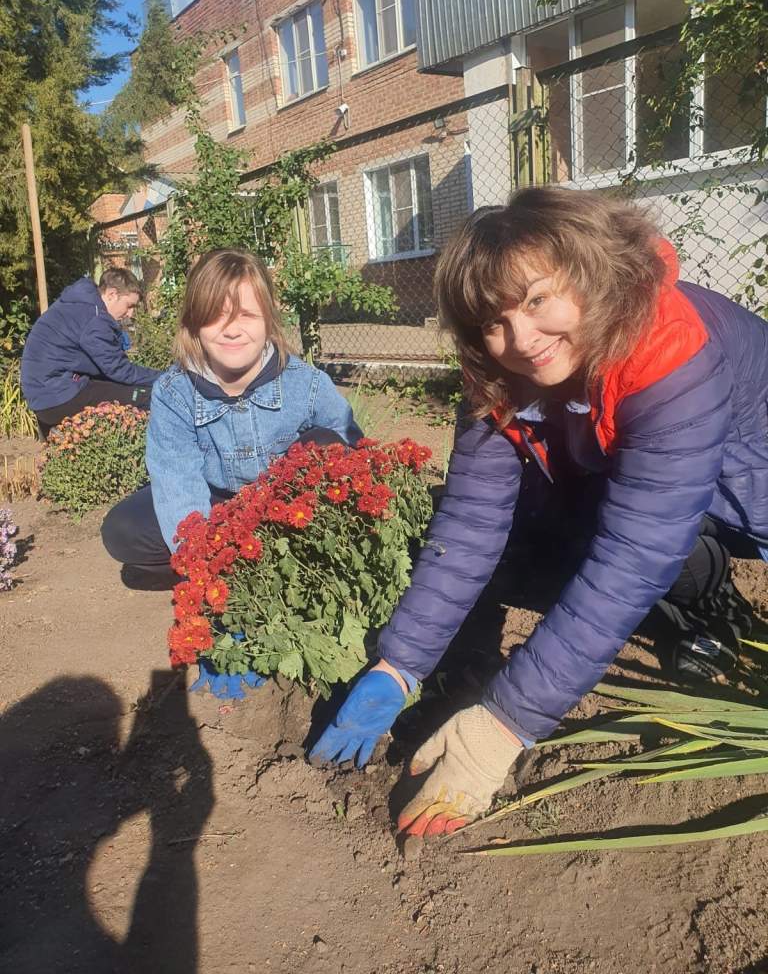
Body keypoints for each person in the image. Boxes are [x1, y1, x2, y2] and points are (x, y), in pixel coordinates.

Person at [310, 186, 768, 838]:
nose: (520, 338)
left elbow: (635, 552)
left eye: (536, 300)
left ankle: (707, 621)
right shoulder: (500, 372)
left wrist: (504, 722)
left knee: (666, 550)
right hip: (634, 485)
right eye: (492, 322)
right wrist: (400, 664)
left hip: (741, 488)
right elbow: (471, 518)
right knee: (534, 538)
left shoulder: (669, 349)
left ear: (585, 274)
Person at [101, 248, 362, 590]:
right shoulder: (174, 391)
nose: (232, 331)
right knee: (123, 529)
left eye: (247, 316)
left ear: (269, 319)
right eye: (215, 316)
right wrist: (203, 560)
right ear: (193, 323)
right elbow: (177, 478)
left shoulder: (306, 383)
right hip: (215, 502)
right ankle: (231, 561)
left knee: (331, 443)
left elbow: (358, 452)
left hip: (285, 504)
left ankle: (291, 554)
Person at [20, 268, 162, 436]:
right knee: (148, 396)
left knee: (122, 389)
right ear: (111, 294)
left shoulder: (81, 304)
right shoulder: (94, 318)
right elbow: (120, 371)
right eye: (129, 306)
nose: (130, 314)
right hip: (57, 396)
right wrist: (166, 378)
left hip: (43, 394)